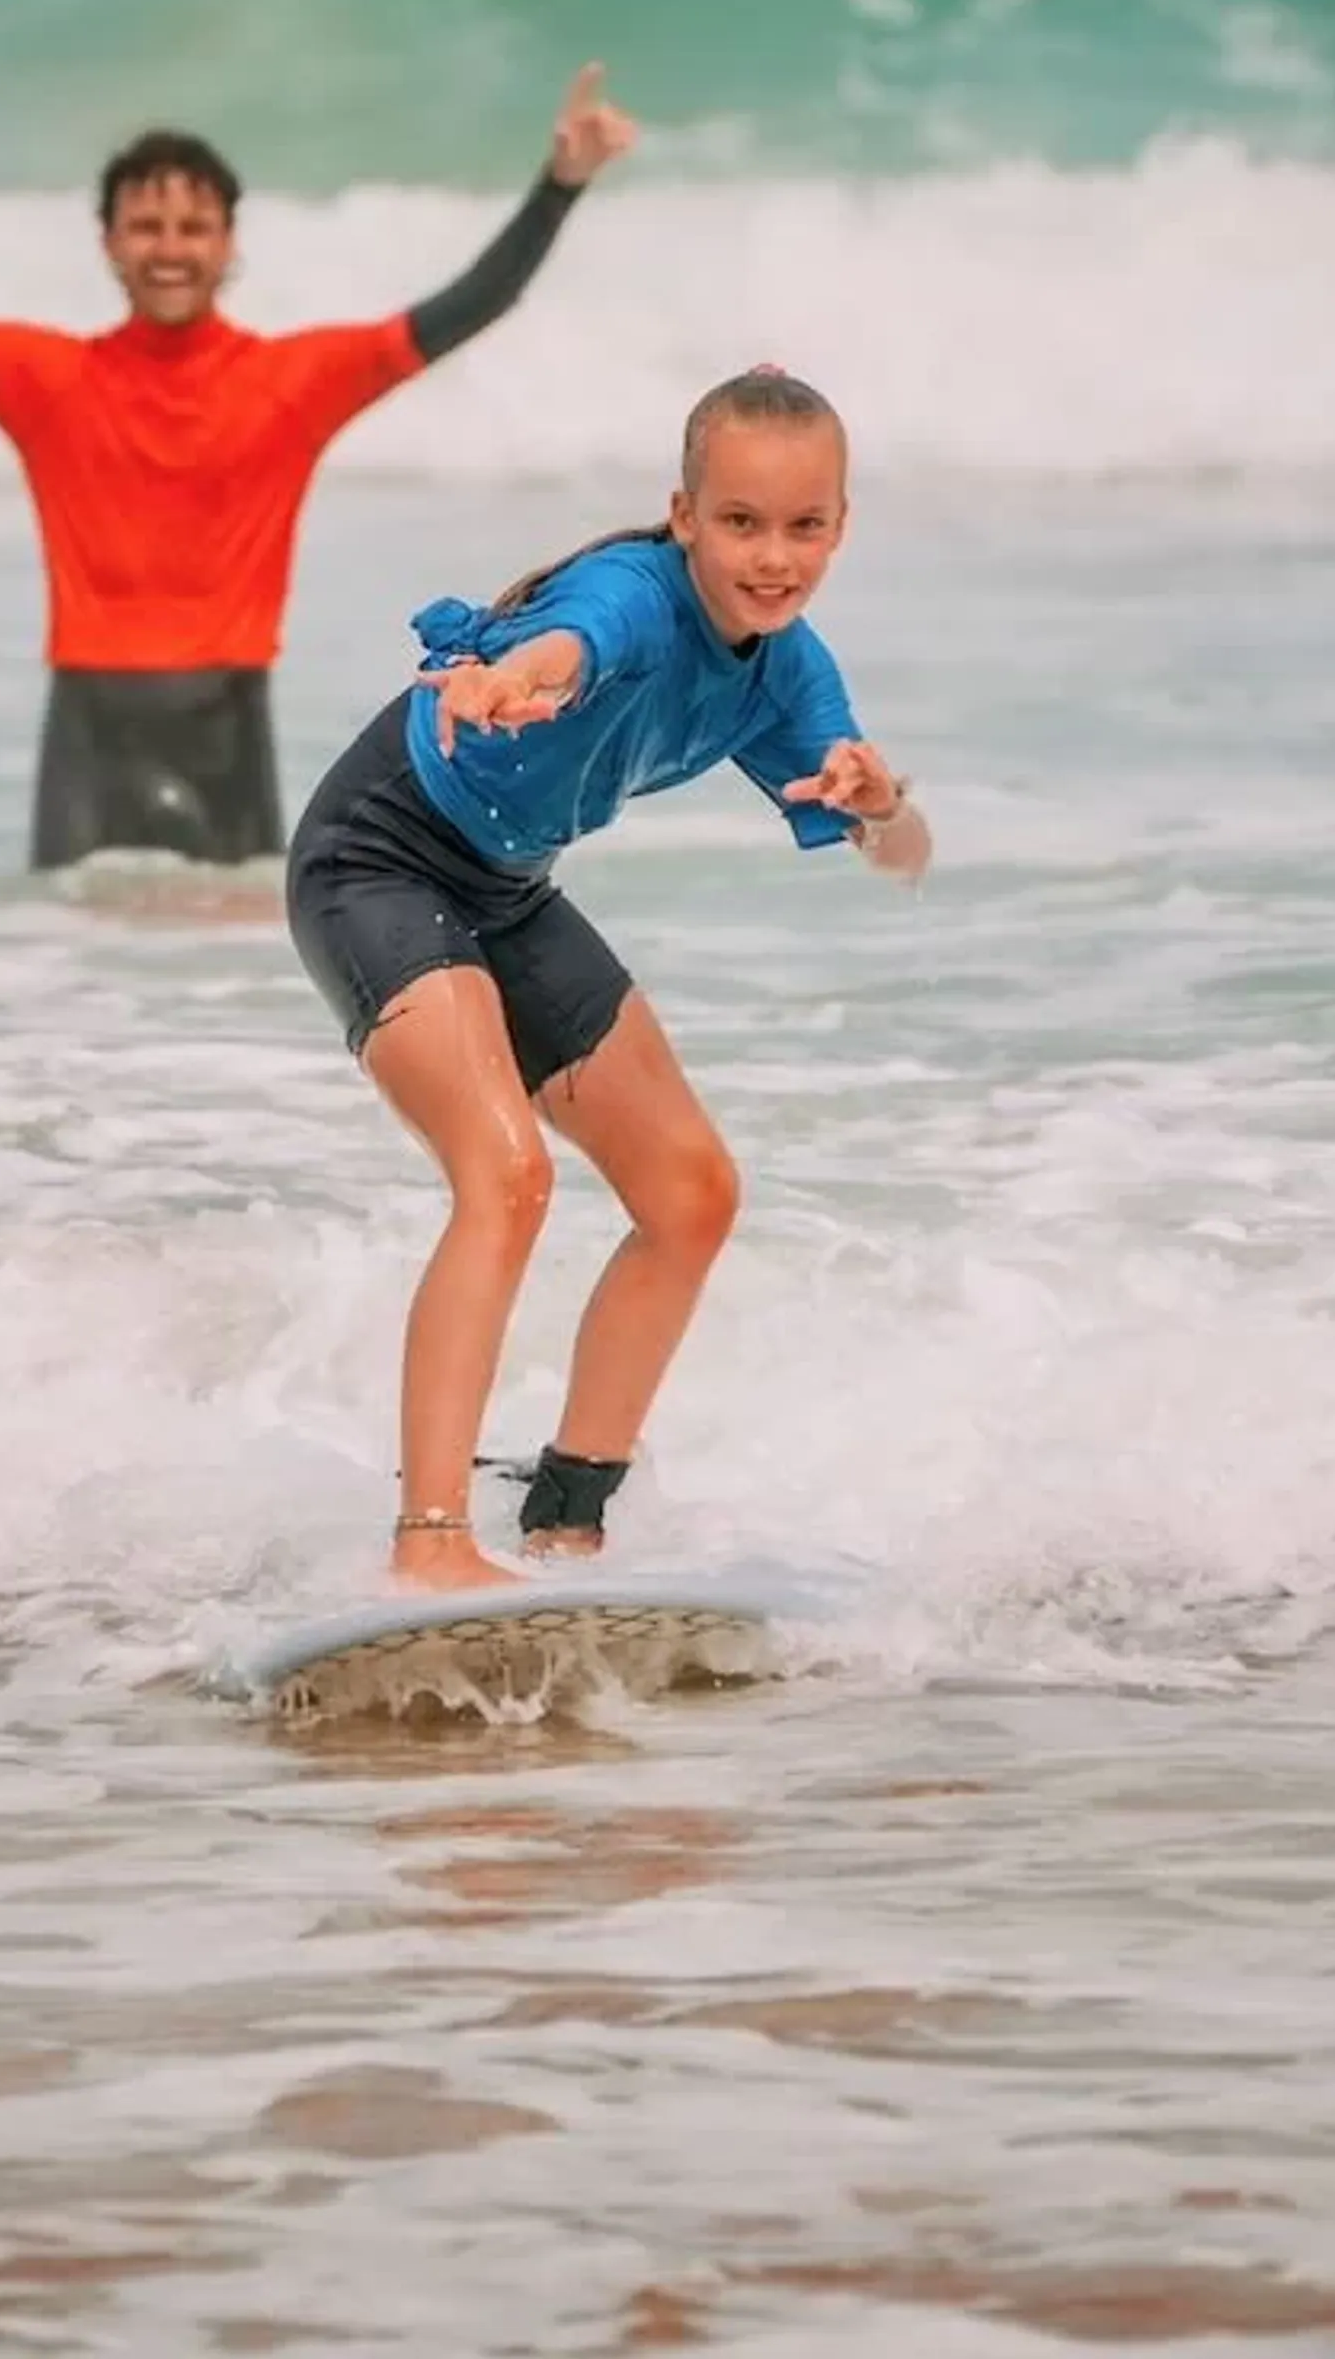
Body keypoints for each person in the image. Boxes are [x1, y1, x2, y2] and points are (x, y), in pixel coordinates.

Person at [0, 32, 640, 869]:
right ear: (110, 243)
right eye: (147, 225)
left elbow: (471, 305)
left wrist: (560, 187)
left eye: (192, 226)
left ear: (227, 243)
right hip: (88, 741)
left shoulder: (300, 381)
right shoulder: (40, 378)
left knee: (223, 1015)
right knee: (70, 995)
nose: (170, 245)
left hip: (229, 734)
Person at [282, 366, 931, 1592]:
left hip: (502, 887)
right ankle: (427, 1549)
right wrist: (517, 677)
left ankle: (567, 1518)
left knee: (692, 1191)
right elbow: (572, 645)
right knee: (507, 1173)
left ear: (842, 527)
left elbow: (904, 862)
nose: (773, 556)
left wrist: (880, 804)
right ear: (684, 515)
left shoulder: (791, 675)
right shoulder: (630, 597)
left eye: (804, 526)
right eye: (740, 522)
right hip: (375, 859)